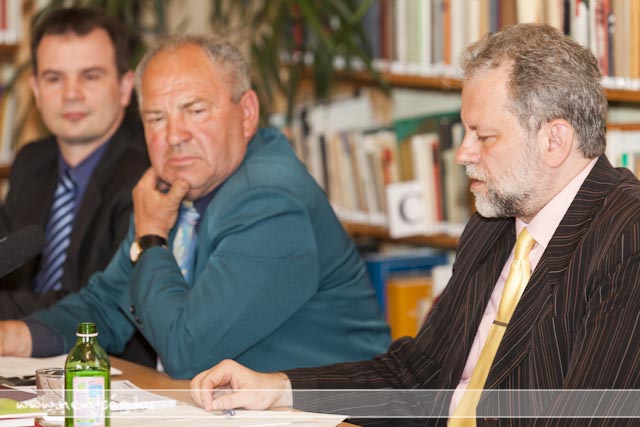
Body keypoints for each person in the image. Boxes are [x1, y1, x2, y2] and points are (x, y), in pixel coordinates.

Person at [189, 23, 640, 425]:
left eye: (483, 136)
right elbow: (418, 376)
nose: (462, 153)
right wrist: (277, 389)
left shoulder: (627, 238)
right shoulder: (495, 222)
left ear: (554, 140)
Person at [0, 34, 391, 379]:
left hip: (331, 416)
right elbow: (105, 306)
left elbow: (187, 353)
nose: (174, 136)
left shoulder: (270, 201)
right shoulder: (173, 188)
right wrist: (13, 337)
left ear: (247, 113)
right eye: (156, 118)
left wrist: (151, 239)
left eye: (196, 111)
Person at [0, 7, 155, 366]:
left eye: (90, 76)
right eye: (54, 78)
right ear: (36, 90)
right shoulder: (31, 161)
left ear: (125, 87)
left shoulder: (147, 171)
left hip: (110, 370)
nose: (71, 94)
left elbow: (91, 301)